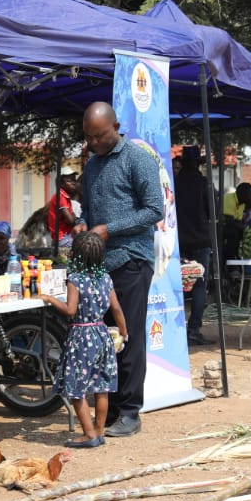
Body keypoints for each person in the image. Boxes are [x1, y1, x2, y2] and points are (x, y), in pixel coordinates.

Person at [76, 102, 164, 438]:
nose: (93, 143)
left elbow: (154, 209)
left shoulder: (137, 159)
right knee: (104, 339)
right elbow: (88, 208)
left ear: (116, 126)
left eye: (99, 136)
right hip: (99, 265)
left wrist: (109, 229)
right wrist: (83, 224)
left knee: (128, 337)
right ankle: (108, 407)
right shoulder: (94, 163)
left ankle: (130, 411)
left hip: (130, 259)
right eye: (88, 137)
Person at [38, 230, 127, 447]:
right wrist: (124, 332)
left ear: (75, 254)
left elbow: (70, 310)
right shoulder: (105, 278)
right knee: (101, 387)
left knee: (76, 390)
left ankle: (89, 434)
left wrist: (50, 299)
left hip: (81, 337)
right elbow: (116, 308)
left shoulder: (75, 279)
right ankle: (99, 432)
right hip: (102, 334)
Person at [174, 146, 214, 346]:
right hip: (200, 240)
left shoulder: (175, 183)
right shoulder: (203, 183)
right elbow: (212, 211)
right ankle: (194, 329)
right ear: (198, 163)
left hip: (179, 240)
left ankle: (175, 328)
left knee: (177, 284)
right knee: (199, 285)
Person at [45, 169, 82, 247]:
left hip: (66, 235)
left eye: (74, 180)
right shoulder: (60, 197)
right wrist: (72, 216)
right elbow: (71, 220)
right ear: (61, 184)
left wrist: (72, 216)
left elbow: (71, 218)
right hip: (62, 237)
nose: (73, 183)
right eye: (69, 181)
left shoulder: (66, 197)